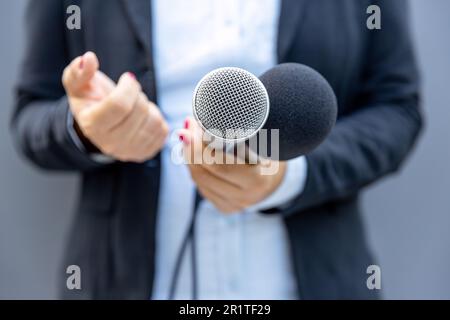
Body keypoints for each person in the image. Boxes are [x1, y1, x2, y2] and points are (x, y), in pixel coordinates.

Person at [11, 0, 422, 299]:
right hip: (125, 281)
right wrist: (89, 128)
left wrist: (289, 176)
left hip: (311, 280)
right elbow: (30, 115)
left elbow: (398, 108)